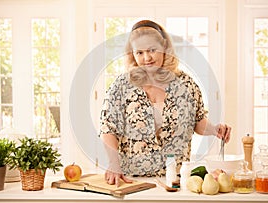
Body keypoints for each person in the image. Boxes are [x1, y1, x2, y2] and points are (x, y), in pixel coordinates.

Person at [99, 20, 231, 186]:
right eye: (139, 52)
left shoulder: (186, 84)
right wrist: (113, 163)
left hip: (176, 180)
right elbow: (108, 128)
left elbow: (197, 121)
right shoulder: (121, 86)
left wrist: (214, 129)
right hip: (132, 181)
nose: (146, 58)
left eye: (152, 50)